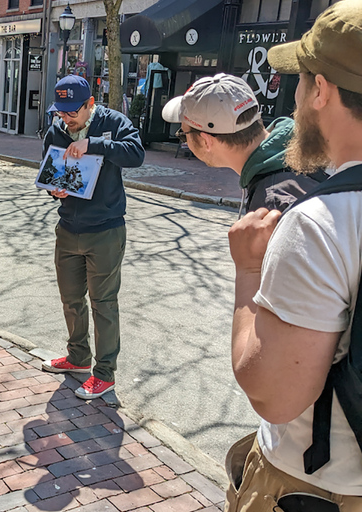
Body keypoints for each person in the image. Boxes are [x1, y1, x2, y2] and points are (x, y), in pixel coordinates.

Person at [226, 2, 362, 510]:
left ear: (321, 90)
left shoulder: (321, 223)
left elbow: (274, 396)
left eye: (300, 81)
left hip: (319, 487)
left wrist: (247, 271)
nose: (296, 98)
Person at [40, 75, 145, 400]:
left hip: (105, 230)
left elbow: (136, 154)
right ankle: (77, 358)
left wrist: (94, 144)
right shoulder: (56, 130)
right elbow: (50, 167)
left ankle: (104, 374)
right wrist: (54, 191)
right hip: (68, 228)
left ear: (90, 105)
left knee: (103, 304)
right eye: (61, 112)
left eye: (73, 112)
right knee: (71, 300)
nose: (66, 119)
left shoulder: (113, 122)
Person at [161, 73, 320, 214]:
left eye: (183, 135)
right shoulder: (307, 152)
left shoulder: (271, 204)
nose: (184, 140)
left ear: (205, 141)